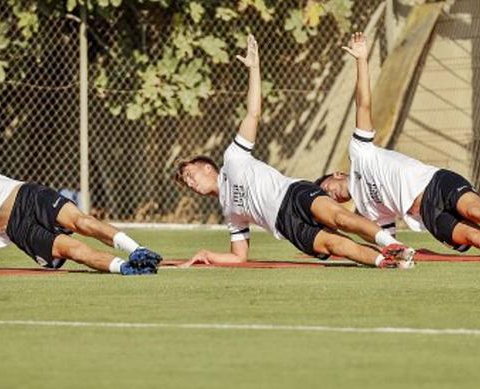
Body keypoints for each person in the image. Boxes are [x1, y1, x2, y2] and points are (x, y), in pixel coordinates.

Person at [0, 33, 162, 275]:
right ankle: (126, 269)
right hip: (18, 229)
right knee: (72, 251)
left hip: (26, 196)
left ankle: (137, 249)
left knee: (82, 222)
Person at [174, 35, 415, 269]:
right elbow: (239, 257)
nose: (189, 181)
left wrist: (254, 69)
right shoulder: (229, 211)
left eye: (189, 172)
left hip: (293, 193)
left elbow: (253, 113)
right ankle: (388, 262)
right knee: (335, 245)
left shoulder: (233, 158)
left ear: (206, 166)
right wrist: (206, 254)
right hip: (285, 225)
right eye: (186, 182)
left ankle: (393, 246)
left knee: (340, 218)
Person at [316, 33, 480, 261]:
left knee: (475, 211)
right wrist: (389, 252)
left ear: (336, 174)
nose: (331, 194)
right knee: (471, 236)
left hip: (435, 182)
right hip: (425, 214)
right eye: (328, 198)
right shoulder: (366, 209)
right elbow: (387, 236)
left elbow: (363, 105)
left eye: (326, 187)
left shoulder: (359, 153)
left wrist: (361, 61)